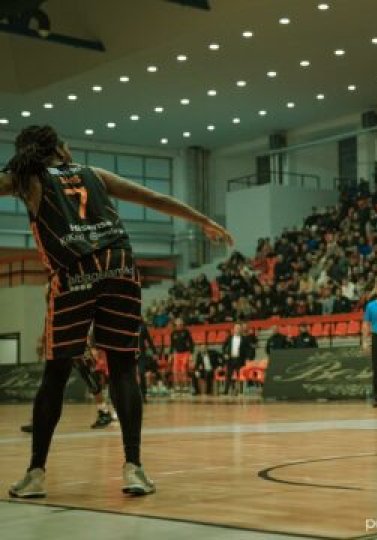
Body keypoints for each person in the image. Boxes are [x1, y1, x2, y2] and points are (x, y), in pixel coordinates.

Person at [2, 124, 232, 498]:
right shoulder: (94, 174)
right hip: (121, 265)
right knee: (123, 367)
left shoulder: (28, 178)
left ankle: (36, 474)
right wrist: (201, 220)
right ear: (60, 149)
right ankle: (134, 469)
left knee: (56, 373)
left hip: (75, 272)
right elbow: (152, 197)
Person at [222, 323, 254, 396]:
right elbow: (224, 346)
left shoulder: (244, 339)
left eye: (239, 328)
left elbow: (249, 349)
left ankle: (240, 391)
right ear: (234, 329)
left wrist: (248, 358)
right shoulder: (230, 337)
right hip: (230, 359)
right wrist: (225, 354)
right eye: (236, 328)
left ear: (241, 329)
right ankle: (226, 391)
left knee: (240, 375)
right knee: (228, 375)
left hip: (240, 359)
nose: (238, 330)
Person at [169, 318, 194, 394]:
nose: (179, 325)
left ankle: (185, 387)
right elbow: (172, 345)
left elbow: (191, 343)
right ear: (176, 325)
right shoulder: (173, 333)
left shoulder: (186, 332)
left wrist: (191, 354)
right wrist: (170, 355)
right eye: (178, 324)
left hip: (185, 353)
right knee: (175, 371)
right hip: (176, 354)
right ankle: (177, 387)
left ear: (183, 324)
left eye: (181, 324)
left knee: (183, 370)